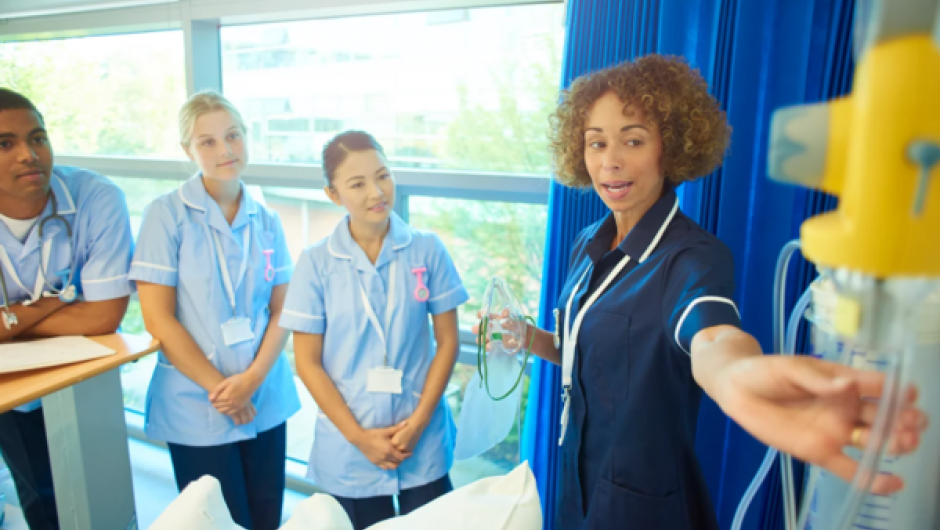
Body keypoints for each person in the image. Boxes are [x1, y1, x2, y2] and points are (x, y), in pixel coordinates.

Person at [473, 54, 928, 530]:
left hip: (643, 506)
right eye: (596, 143)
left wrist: (738, 374)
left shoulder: (693, 258)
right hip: (574, 482)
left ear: (669, 149)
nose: (610, 160)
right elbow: (583, 349)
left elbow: (713, 337)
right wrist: (530, 338)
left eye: (633, 140)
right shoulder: (589, 240)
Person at [280, 131, 468, 530]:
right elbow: (308, 363)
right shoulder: (315, 263)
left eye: (382, 176)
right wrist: (359, 437)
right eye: (357, 184)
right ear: (333, 195)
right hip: (351, 444)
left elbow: (448, 342)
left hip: (420, 436)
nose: (376, 191)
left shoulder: (427, 249)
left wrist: (417, 423)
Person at [130, 91, 300, 530]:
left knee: (265, 515)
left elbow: (284, 309)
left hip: (263, 393)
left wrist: (253, 381)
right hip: (198, 402)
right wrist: (225, 391)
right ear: (187, 150)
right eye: (207, 142)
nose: (226, 150)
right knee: (215, 521)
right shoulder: (165, 216)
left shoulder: (267, 219)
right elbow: (159, 319)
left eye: (233, 135)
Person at [0, 88, 133, 530]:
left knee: (96, 498)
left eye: (38, 138)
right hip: (8, 388)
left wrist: (12, 320)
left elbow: (104, 317)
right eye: (5, 144)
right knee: (38, 497)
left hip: (79, 377)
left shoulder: (96, 198)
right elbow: (87, 311)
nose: (28, 155)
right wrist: (57, 301)